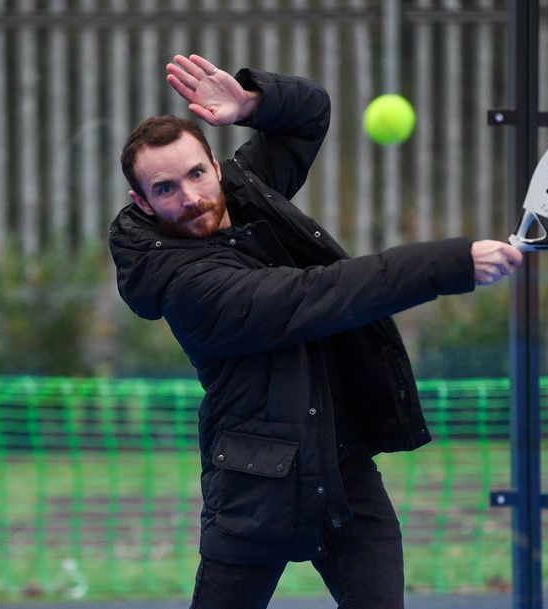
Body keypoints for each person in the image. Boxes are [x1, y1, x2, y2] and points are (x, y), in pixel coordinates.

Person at [109, 53, 523, 609]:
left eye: (196, 173)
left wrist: (253, 104)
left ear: (214, 162)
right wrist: (452, 263)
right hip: (258, 480)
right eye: (165, 189)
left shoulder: (246, 190)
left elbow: (310, 114)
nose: (189, 197)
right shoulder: (186, 286)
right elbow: (320, 296)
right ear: (143, 201)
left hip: (342, 465)